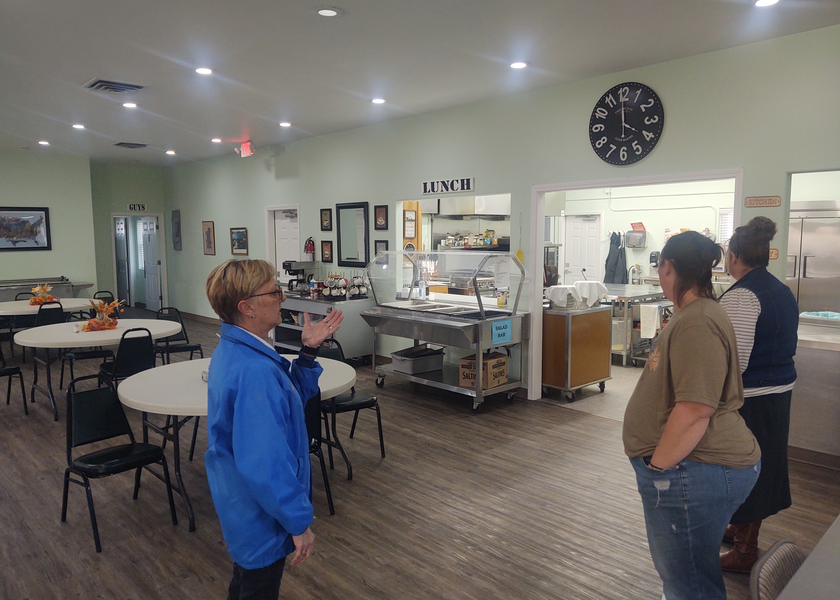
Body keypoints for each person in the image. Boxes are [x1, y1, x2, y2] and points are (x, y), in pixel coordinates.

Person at [623, 231, 761, 600]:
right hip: (693, 469)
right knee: (689, 573)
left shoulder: (698, 322)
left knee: (690, 583)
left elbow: (696, 409)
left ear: (667, 266)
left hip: (694, 469)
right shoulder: (698, 314)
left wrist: (658, 469)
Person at [204, 259, 344, 600]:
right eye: (274, 291)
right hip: (259, 514)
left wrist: (308, 353)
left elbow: (288, 398)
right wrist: (298, 523)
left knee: (245, 583)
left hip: (242, 504)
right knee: (257, 588)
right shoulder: (255, 370)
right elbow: (265, 462)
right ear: (247, 307)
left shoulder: (239, 351)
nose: (282, 297)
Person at [718, 217, 799, 572]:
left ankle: (745, 549)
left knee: (748, 467)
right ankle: (739, 527)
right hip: (778, 392)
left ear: (734, 256)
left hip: (753, 397)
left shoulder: (742, 296)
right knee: (763, 463)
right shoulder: (779, 288)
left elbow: (736, 360)